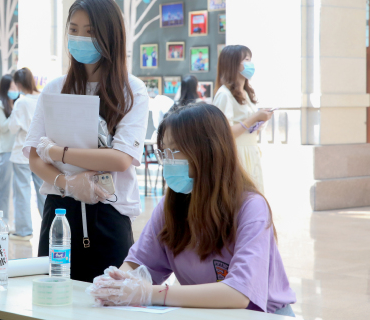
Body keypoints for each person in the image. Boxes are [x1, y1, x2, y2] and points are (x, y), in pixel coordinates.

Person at [87, 103, 296, 316]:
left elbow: (239, 293)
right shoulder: (172, 205)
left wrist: (149, 294)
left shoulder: (251, 207)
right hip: (206, 313)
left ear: (209, 151)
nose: (167, 160)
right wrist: (115, 285)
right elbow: (137, 264)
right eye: (164, 152)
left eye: (174, 150)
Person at [25, 0, 149, 282]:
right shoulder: (54, 89)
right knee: (53, 296)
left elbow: (121, 159)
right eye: (74, 29)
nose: (80, 38)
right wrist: (67, 183)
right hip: (59, 212)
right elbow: (33, 156)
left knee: (108, 298)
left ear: (110, 36)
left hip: (110, 215)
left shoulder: (132, 90)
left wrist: (58, 152)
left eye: (90, 31)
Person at [213, 45, 273, 193]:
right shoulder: (224, 94)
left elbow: (250, 128)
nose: (250, 64)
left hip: (251, 151)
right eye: (246, 60)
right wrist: (254, 118)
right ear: (233, 64)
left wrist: (260, 120)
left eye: (250, 59)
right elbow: (223, 132)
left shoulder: (246, 93)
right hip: (237, 153)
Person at [8, 68, 45, 241]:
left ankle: (23, 230)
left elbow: (13, 127)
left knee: (22, 192)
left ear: (19, 84)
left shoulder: (21, 102)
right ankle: (49, 226)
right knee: (43, 191)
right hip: (42, 152)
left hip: (22, 153)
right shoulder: (43, 98)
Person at [0, 74, 18, 220]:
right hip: (5, 151)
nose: (15, 90)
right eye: (12, 87)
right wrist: (16, 112)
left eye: (16, 87)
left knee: (17, 189)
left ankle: (13, 221)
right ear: (5, 88)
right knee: (3, 189)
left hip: (17, 151)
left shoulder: (15, 104)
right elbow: (3, 127)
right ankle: (1, 221)